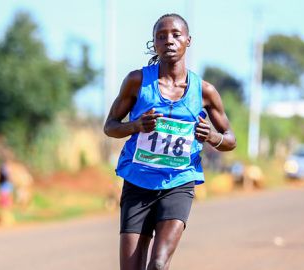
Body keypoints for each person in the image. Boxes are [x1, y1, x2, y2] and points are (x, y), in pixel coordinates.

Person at [103, 13, 236, 270]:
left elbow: (230, 140)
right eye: (161, 37)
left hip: (178, 182)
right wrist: (136, 125)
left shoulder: (204, 91)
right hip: (138, 181)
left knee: (159, 263)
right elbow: (110, 126)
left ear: (188, 40)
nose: (169, 41)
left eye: (176, 35)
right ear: (154, 44)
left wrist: (212, 136)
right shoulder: (137, 82)